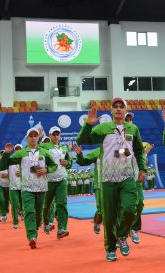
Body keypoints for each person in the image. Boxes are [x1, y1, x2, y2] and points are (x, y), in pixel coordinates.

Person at [76, 97, 146, 262]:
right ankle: (110, 248)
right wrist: (88, 125)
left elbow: (137, 150)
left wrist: (141, 169)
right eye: (116, 107)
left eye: (122, 107)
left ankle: (122, 236)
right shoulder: (103, 128)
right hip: (107, 178)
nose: (119, 109)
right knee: (109, 217)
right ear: (111, 111)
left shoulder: (133, 129)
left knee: (131, 208)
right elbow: (83, 140)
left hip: (127, 176)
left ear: (126, 110)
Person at [0, 128, 58, 249]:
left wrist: (47, 170)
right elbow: (2, 166)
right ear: (27, 138)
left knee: (39, 215)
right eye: (31, 136)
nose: (34, 137)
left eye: (35, 135)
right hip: (27, 189)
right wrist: (6, 154)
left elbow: (54, 165)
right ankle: (32, 236)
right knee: (29, 212)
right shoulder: (21, 153)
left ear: (38, 138)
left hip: (41, 188)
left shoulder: (44, 152)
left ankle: (35, 228)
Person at [40, 126, 73, 239]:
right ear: (49, 136)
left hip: (62, 179)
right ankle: (46, 223)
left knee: (61, 204)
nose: (56, 136)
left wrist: (67, 163)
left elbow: (69, 162)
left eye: (58, 134)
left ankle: (62, 228)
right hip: (48, 180)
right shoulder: (44, 146)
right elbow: (31, 150)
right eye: (53, 134)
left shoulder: (64, 148)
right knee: (46, 205)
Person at [73, 145, 102, 234]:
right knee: (102, 209)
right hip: (101, 186)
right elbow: (83, 161)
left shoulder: (119, 150)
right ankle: (97, 222)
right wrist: (79, 154)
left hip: (116, 184)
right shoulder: (97, 151)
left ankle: (116, 236)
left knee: (117, 209)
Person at [124, 111, 144, 244]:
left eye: (130, 119)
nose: (129, 121)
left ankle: (134, 229)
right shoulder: (115, 136)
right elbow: (113, 154)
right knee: (124, 207)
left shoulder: (134, 134)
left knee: (140, 203)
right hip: (122, 176)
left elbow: (140, 152)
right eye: (127, 118)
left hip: (135, 175)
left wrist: (142, 170)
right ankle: (122, 232)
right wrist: (124, 151)